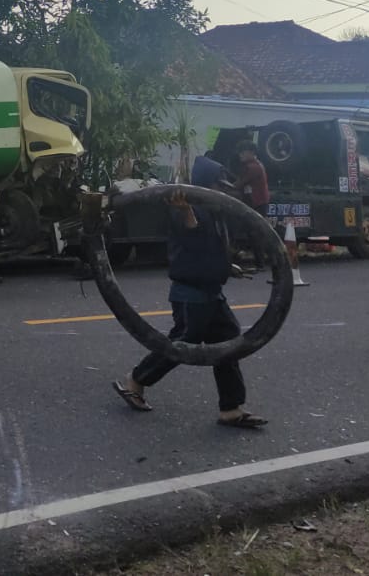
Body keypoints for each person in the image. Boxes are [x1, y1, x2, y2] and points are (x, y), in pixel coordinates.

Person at [112, 171, 267, 429]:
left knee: (228, 342)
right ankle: (136, 381)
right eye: (219, 184)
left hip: (211, 291)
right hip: (191, 294)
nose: (224, 190)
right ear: (206, 187)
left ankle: (230, 408)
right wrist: (186, 211)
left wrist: (227, 266)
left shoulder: (216, 211)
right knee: (182, 344)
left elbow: (209, 247)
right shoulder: (185, 209)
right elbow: (191, 232)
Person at [232, 139, 270, 212]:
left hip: (257, 205)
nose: (240, 155)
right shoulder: (254, 164)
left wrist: (225, 189)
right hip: (257, 203)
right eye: (239, 153)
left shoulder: (253, 167)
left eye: (243, 153)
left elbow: (238, 185)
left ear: (252, 152)